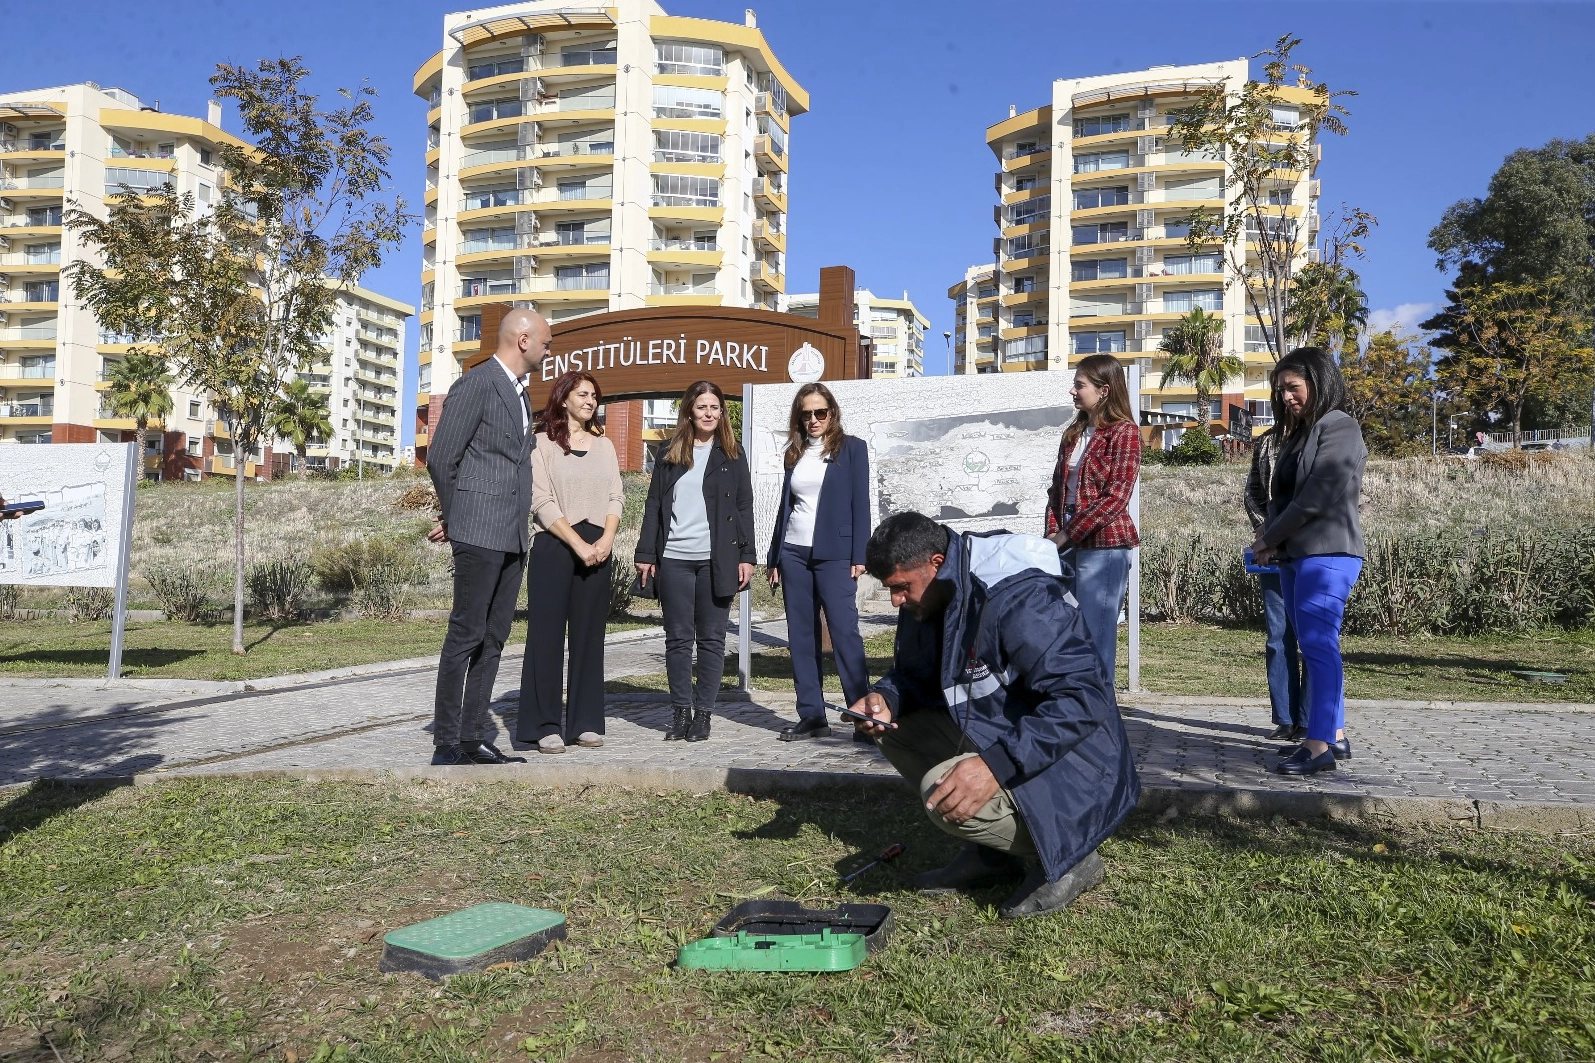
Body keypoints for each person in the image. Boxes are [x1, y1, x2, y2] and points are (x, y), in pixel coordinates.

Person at [850, 512, 1140, 919]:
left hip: (1084, 766)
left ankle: (1071, 857)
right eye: (890, 590)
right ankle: (990, 856)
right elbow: (918, 674)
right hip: (1014, 736)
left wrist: (993, 766)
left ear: (936, 562)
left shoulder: (1019, 596)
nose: (896, 600)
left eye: (901, 588)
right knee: (895, 729)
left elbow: (1084, 697)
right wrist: (886, 698)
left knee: (940, 785)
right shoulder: (935, 590)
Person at [425, 309, 550, 766]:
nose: (547, 349)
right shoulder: (478, 384)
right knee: (466, 633)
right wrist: (458, 518)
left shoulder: (521, 394)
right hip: (477, 531)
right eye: (545, 342)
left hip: (514, 535)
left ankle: (473, 734)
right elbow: (441, 458)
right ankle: (445, 741)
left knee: (495, 637)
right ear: (522, 339)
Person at [1249, 347, 1367, 777]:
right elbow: (1281, 498)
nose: (1285, 397)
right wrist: (1267, 537)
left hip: (1329, 553)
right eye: (1279, 390)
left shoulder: (1341, 427)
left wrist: (1272, 537)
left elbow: (1318, 496)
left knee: (1319, 647)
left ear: (1318, 382)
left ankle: (1317, 747)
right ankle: (1333, 735)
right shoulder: (1300, 435)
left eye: (1293, 387)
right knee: (1317, 647)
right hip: (1295, 555)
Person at [635, 381, 754, 743]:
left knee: (712, 640)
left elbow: (744, 506)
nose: (708, 413)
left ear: (721, 413)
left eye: (714, 407)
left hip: (717, 560)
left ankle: (703, 715)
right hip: (674, 560)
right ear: (689, 410)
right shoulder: (670, 452)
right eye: (701, 406)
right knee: (678, 640)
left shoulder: (733, 454)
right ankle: (679, 714)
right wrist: (645, 554)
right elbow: (653, 504)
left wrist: (747, 556)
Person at [518, 371, 625, 755]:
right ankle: (543, 725)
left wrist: (606, 540)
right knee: (546, 639)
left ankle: (585, 722)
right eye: (583, 394)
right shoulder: (542, 443)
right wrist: (578, 544)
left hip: (599, 549)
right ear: (563, 399)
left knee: (588, 638)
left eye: (594, 396)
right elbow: (541, 501)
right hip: (555, 547)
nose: (590, 401)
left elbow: (616, 497)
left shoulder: (606, 446)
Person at [766, 383, 872, 743]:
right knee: (801, 635)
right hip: (793, 553)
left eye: (819, 412)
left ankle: (862, 716)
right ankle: (811, 715)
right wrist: (774, 556)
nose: (813, 420)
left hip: (836, 554)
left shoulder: (852, 449)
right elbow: (786, 508)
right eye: (806, 414)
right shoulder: (793, 454)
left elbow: (861, 503)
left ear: (832, 413)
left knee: (844, 633)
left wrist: (861, 554)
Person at [1044, 353, 1142, 686]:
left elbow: (1115, 498)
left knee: (1096, 637)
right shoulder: (1073, 433)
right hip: (1065, 542)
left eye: (1079, 384)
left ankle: (1098, 719)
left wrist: (1066, 534)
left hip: (1104, 546)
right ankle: (1074, 709)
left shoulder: (1124, 432)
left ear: (1103, 390)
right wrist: (1052, 536)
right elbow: (1056, 491)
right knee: (1065, 633)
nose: (1073, 391)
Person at [1245, 426, 1305, 741]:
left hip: (1311, 546)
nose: (1285, 398)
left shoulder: (1320, 434)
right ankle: (1285, 718)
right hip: (1272, 549)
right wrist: (1265, 529)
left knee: (1312, 638)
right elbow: (1253, 491)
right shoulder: (1267, 440)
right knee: (1277, 635)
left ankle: (1309, 720)